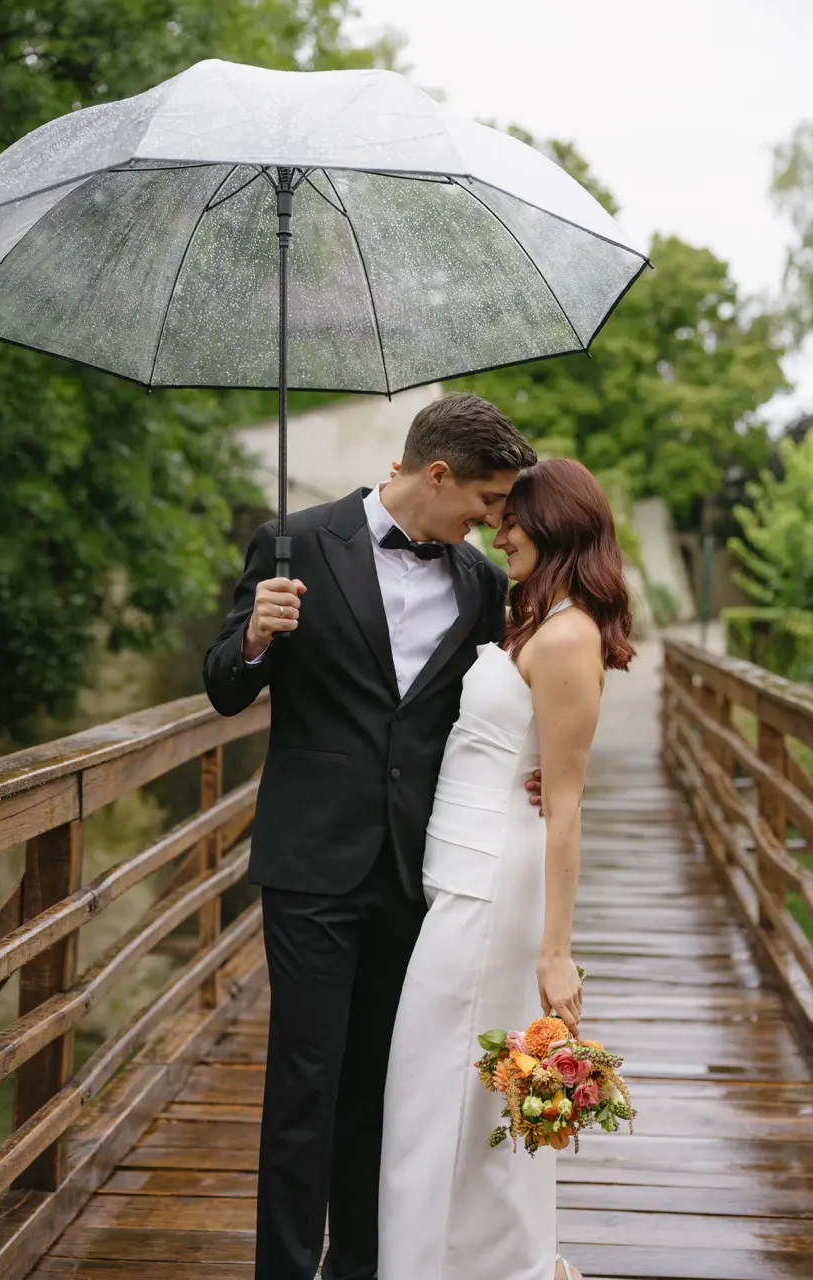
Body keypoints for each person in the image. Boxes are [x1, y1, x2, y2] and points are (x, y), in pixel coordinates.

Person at [202, 393, 538, 1280]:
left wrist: (530, 767)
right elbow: (225, 689)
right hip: (312, 859)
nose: (492, 521)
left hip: (414, 868)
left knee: (379, 1088)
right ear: (437, 474)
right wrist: (254, 636)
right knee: (303, 1083)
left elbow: (481, 709)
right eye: (487, 501)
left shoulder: (480, 584)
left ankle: (357, 1264)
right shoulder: (295, 543)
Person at [379, 457, 636, 1280]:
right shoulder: (533, 616)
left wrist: (555, 953)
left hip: (495, 889)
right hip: (463, 874)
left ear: (554, 523)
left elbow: (564, 807)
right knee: (442, 1090)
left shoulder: (566, 635)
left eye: (510, 517)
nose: (497, 531)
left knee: (439, 1091)